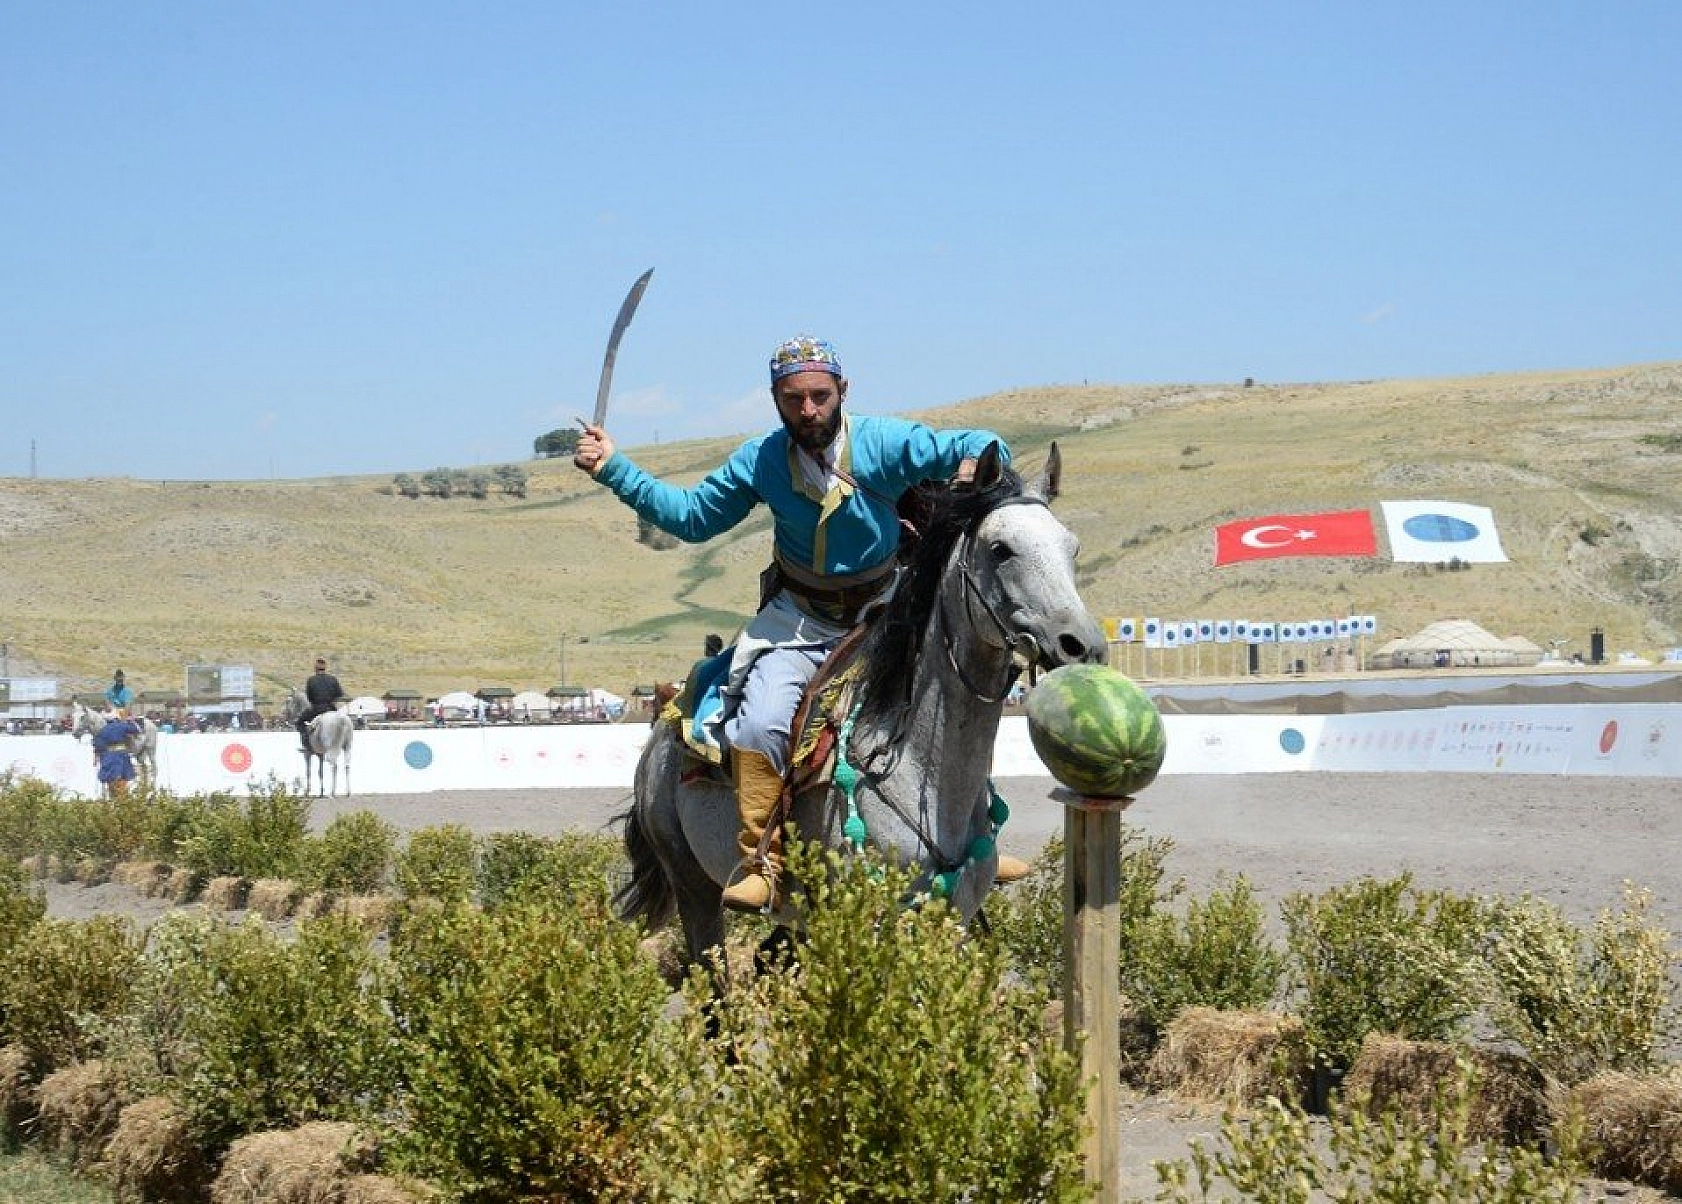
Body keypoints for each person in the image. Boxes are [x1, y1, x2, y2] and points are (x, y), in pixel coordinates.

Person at [575, 334, 1028, 910]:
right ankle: (761, 859)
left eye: (819, 396)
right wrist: (615, 470)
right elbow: (689, 518)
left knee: (948, 705)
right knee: (761, 721)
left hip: (888, 612)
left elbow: (978, 443)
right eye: (794, 400)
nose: (808, 411)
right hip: (798, 621)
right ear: (775, 399)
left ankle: (977, 837)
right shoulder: (761, 461)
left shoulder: (886, 443)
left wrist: (986, 457)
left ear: (842, 391)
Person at [296, 657, 346, 751]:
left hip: (316, 708)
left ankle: (306, 745)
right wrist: (332, 703)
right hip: (331, 708)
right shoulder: (333, 679)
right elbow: (339, 695)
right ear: (325, 668)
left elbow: (309, 697)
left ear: (315, 668)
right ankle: (343, 743)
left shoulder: (311, 680)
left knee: (299, 722)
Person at [91, 708, 141, 798]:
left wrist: (97, 757)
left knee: (110, 779)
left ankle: (112, 798)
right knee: (122, 778)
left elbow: (98, 746)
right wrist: (130, 721)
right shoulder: (122, 725)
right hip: (121, 756)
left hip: (108, 757)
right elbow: (135, 730)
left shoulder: (102, 730)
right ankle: (122, 800)